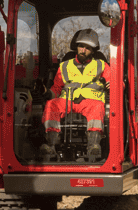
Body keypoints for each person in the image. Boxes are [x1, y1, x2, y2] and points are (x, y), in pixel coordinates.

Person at [41, 29, 109, 161]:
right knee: (51, 105)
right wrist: (47, 92)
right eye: (81, 46)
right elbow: (56, 88)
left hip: (91, 102)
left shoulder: (102, 65)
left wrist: (114, 85)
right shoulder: (64, 66)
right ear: (76, 47)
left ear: (93, 50)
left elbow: (116, 82)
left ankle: (93, 145)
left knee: (97, 108)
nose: (83, 50)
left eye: (87, 48)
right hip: (66, 101)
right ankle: (51, 146)